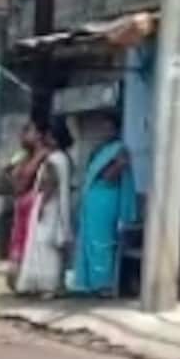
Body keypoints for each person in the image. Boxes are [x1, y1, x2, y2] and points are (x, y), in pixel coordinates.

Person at [71, 110, 136, 296]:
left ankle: (103, 283)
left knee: (103, 241)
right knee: (88, 240)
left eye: (108, 127)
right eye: (102, 127)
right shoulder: (99, 150)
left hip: (107, 200)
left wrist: (113, 167)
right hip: (92, 201)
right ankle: (87, 283)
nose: (104, 131)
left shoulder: (119, 149)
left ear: (116, 129)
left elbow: (111, 176)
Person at [14, 119, 74, 296]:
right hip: (57, 207)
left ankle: (46, 285)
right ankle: (54, 284)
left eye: (48, 135)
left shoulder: (53, 159)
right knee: (51, 245)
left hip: (48, 206)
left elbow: (50, 183)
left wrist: (42, 205)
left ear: (54, 138)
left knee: (43, 245)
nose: (45, 138)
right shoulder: (65, 158)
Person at [4, 118, 44, 288]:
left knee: (29, 241)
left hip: (34, 202)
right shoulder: (22, 155)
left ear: (39, 135)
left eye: (28, 132)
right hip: (20, 201)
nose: (22, 136)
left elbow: (29, 176)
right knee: (17, 239)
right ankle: (16, 275)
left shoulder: (43, 155)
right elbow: (11, 174)